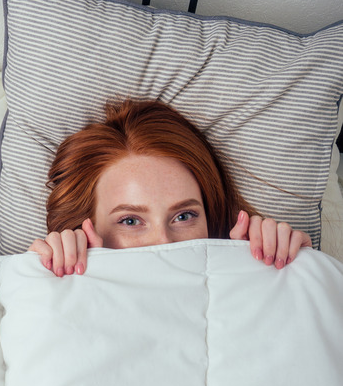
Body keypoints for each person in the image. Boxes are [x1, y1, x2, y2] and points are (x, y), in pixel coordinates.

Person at [29, 99, 312, 277]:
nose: (164, 242)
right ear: (85, 229)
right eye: (130, 220)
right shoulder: (51, 290)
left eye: (185, 216)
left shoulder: (250, 271)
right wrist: (44, 280)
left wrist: (266, 275)